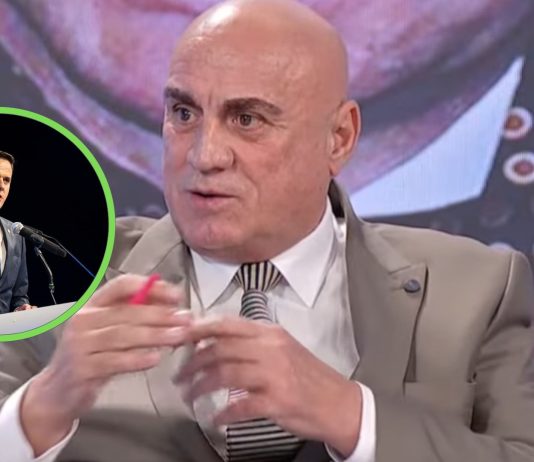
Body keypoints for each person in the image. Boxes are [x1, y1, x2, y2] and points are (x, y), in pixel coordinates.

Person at [1, 1, 534, 461]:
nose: (205, 155)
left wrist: (353, 416)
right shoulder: (56, 272)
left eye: (247, 120)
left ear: (339, 138)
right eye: (184, 113)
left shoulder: (481, 288)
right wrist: (42, 406)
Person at [0, 150, 32, 313]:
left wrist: (21, 307)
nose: (1, 186)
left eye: (6, 180)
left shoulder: (16, 235)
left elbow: (19, 295)